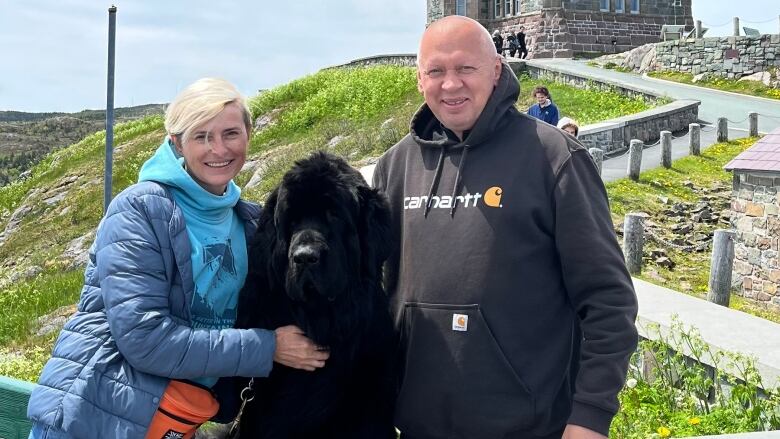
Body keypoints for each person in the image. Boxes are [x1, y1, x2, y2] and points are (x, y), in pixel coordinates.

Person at [373, 15, 637, 439]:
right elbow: (369, 290)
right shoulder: (395, 166)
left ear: (496, 70)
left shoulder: (554, 158)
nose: (451, 84)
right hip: (415, 425)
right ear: (419, 78)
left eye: (465, 68)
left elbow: (608, 301)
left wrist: (590, 416)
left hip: (529, 427)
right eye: (436, 71)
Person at [26, 78, 329, 439]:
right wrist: (269, 347)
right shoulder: (139, 211)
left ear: (249, 133)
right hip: (94, 417)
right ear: (177, 144)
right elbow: (146, 339)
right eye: (201, 136)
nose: (218, 148)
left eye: (230, 133)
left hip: (171, 422)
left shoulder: (249, 223)